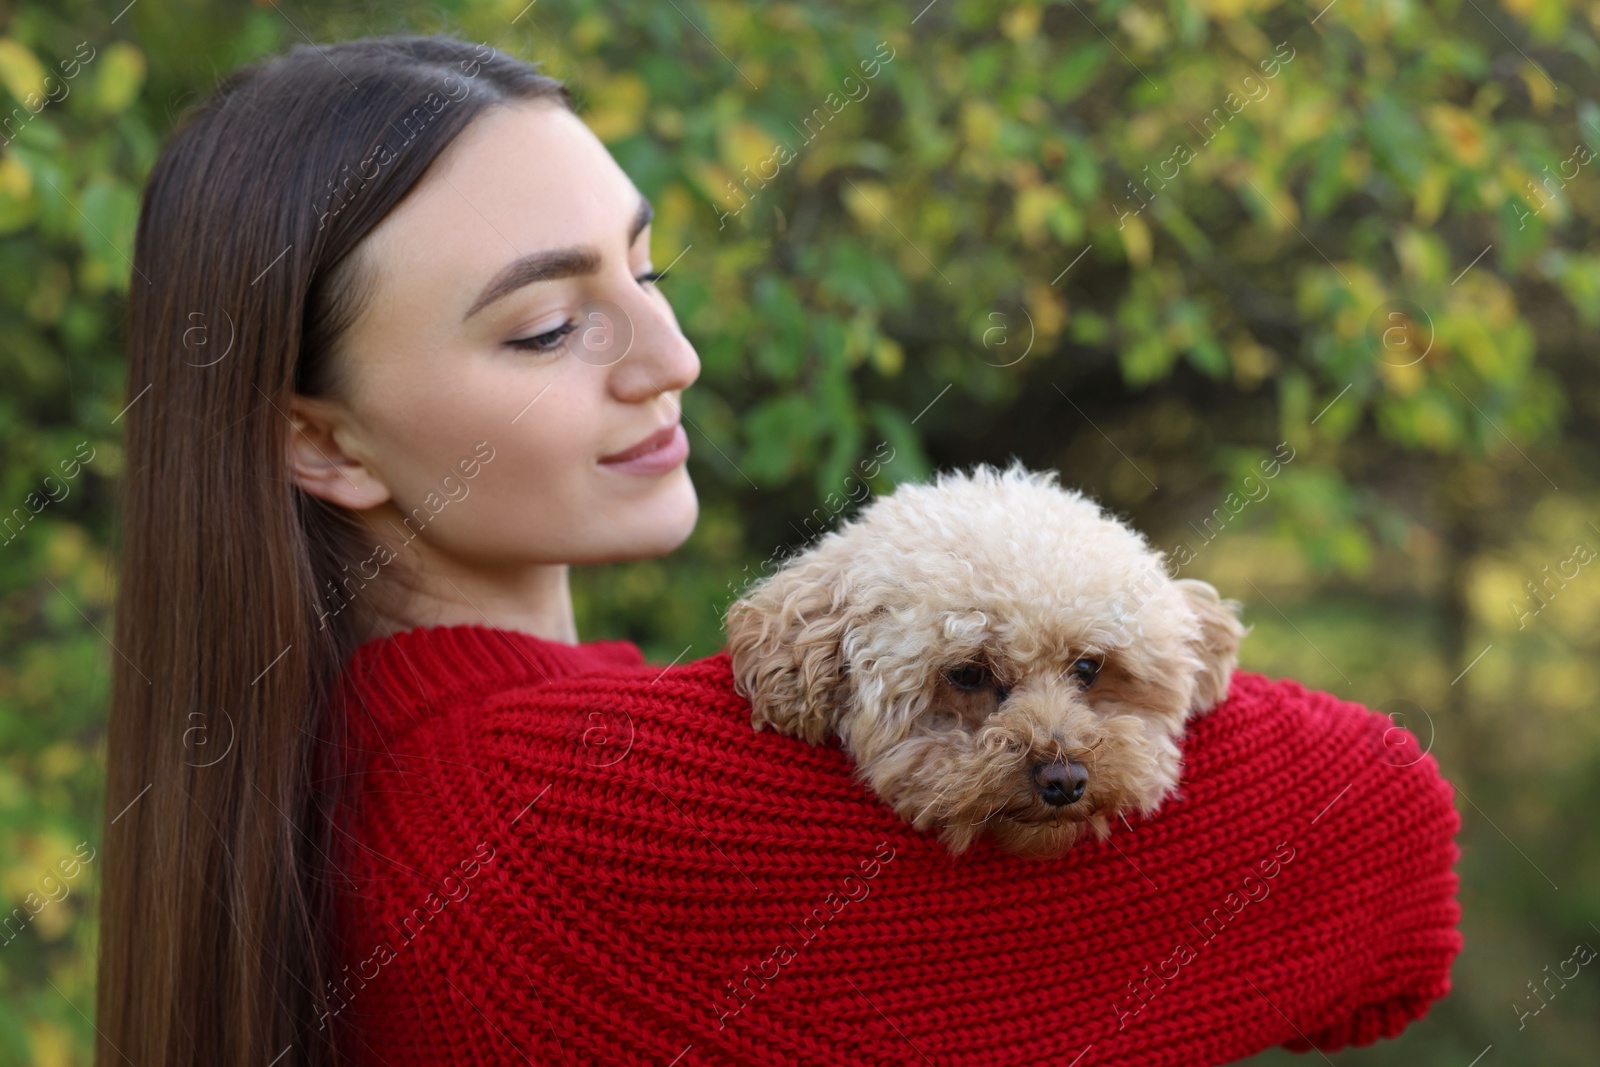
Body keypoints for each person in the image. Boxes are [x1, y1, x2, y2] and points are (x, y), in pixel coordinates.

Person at [98, 34, 1462, 1067]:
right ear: (323, 443)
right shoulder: (563, 813)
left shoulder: (311, 799)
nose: (671, 359)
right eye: (543, 328)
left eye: (645, 274)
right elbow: (1384, 842)